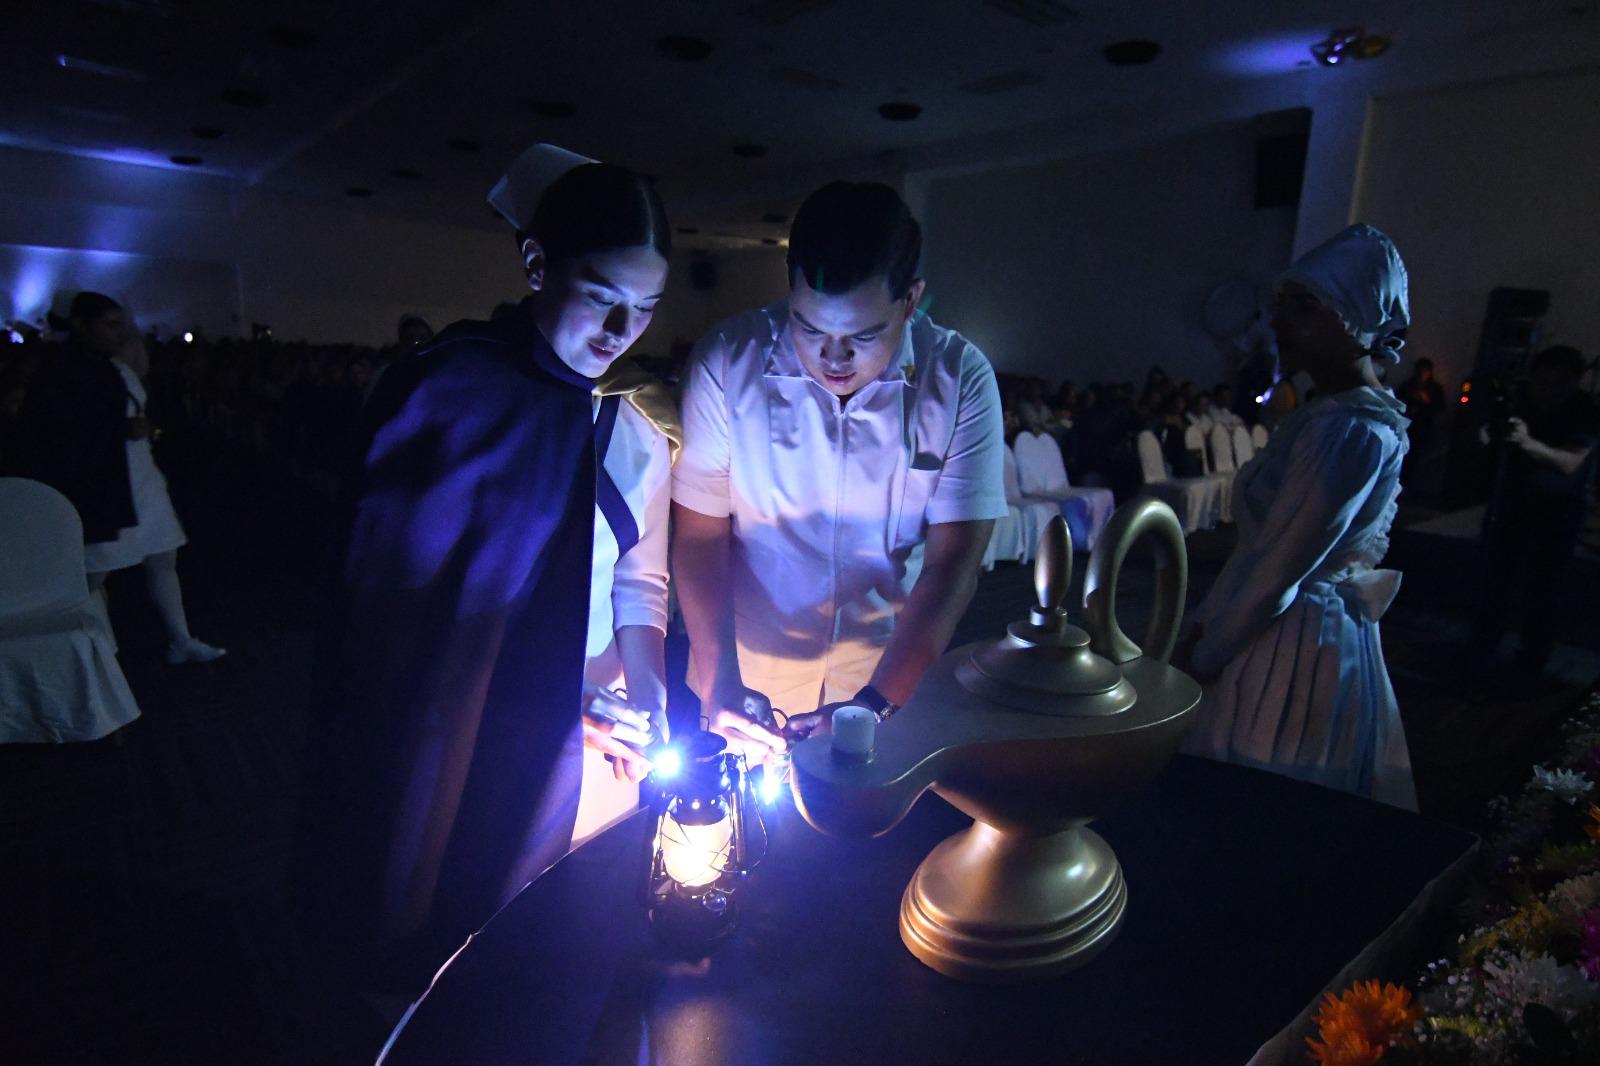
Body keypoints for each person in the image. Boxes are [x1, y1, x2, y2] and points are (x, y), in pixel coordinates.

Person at [291, 145, 673, 989]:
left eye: (644, 311)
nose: (619, 334)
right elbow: (389, 601)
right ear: (537, 264)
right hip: (437, 704)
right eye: (602, 299)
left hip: (578, 725)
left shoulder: (634, 436)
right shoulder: (441, 391)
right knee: (418, 878)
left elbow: (638, 580)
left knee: (533, 931)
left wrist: (635, 690)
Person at [672, 180, 1005, 754]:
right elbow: (700, 534)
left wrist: (878, 702)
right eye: (810, 328)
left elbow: (953, 562)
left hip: (888, 670)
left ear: (911, 299)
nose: (834, 358)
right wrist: (718, 676)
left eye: (864, 335)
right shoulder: (728, 361)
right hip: (743, 670)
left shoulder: (959, 377)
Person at [1179, 223, 1417, 810]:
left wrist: (1202, 658)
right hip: (1275, 624)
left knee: (1261, 790)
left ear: (1359, 319)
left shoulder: (1351, 430)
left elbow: (1278, 574)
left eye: (1307, 307)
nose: (1282, 322)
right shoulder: (1332, 414)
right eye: (1283, 305)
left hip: (1292, 644)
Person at [84, 330, 225, 663]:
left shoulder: (119, 372)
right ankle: (96, 653)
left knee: (162, 556)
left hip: (139, 474)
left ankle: (180, 639)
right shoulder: (96, 374)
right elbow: (78, 426)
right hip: (113, 479)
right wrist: (123, 430)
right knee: (95, 570)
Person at [1468, 345, 1598, 677]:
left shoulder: (1585, 412)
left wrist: (1527, 443)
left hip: (1558, 511)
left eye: (1557, 382)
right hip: (1511, 503)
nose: (1547, 389)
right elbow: (1491, 438)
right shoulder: (1523, 403)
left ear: (1573, 382)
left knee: (1544, 588)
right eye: (1541, 380)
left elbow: (1570, 462)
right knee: (1496, 580)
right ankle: (1483, 646)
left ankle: (1531, 660)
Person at [1397, 357, 1444, 486]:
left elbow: (1439, 408)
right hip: (1406, 427)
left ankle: (1409, 485)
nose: (1422, 374)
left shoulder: (1434, 389)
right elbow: (1398, 404)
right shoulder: (1408, 386)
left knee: (1416, 458)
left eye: (1425, 371)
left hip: (1422, 428)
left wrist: (1426, 400)